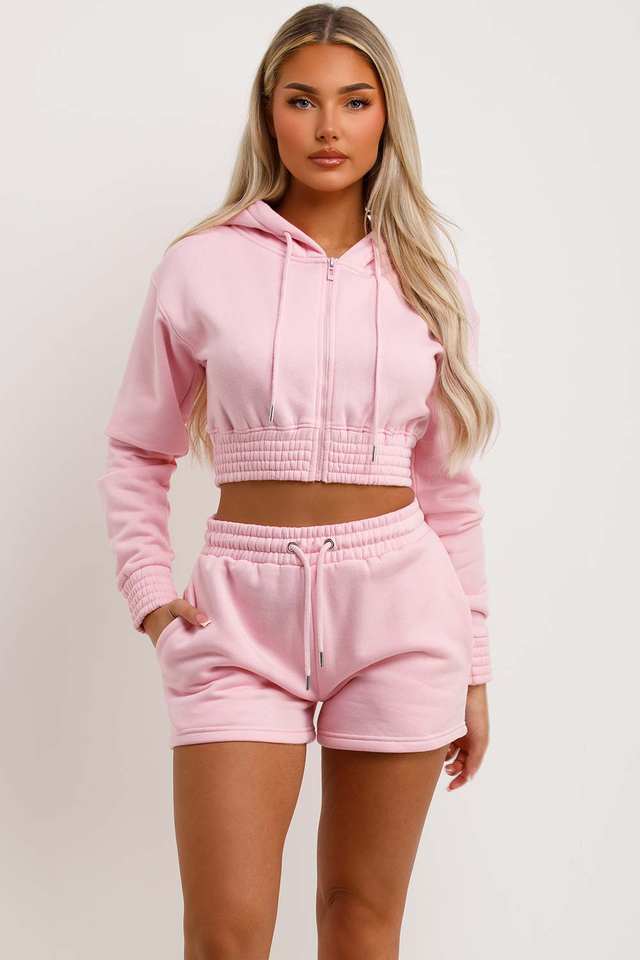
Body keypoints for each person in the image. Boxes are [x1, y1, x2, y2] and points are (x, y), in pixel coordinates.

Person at [97, 3, 497, 956]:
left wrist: (476, 669)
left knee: (361, 922)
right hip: (240, 614)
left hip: (401, 610)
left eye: (355, 101)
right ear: (267, 113)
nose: (328, 127)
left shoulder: (427, 279)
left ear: (386, 117)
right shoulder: (199, 266)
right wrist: (153, 600)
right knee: (226, 936)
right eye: (302, 100)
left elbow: (450, 492)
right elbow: (137, 450)